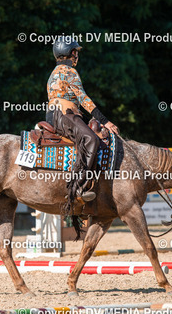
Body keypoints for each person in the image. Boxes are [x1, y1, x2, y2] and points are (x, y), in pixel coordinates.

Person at [46, 36, 120, 202]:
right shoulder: (70, 71)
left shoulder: (54, 73)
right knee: (91, 139)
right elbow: (83, 99)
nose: (77, 55)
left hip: (55, 115)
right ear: (70, 53)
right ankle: (78, 186)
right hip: (64, 115)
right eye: (75, 52)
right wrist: (105, 121)